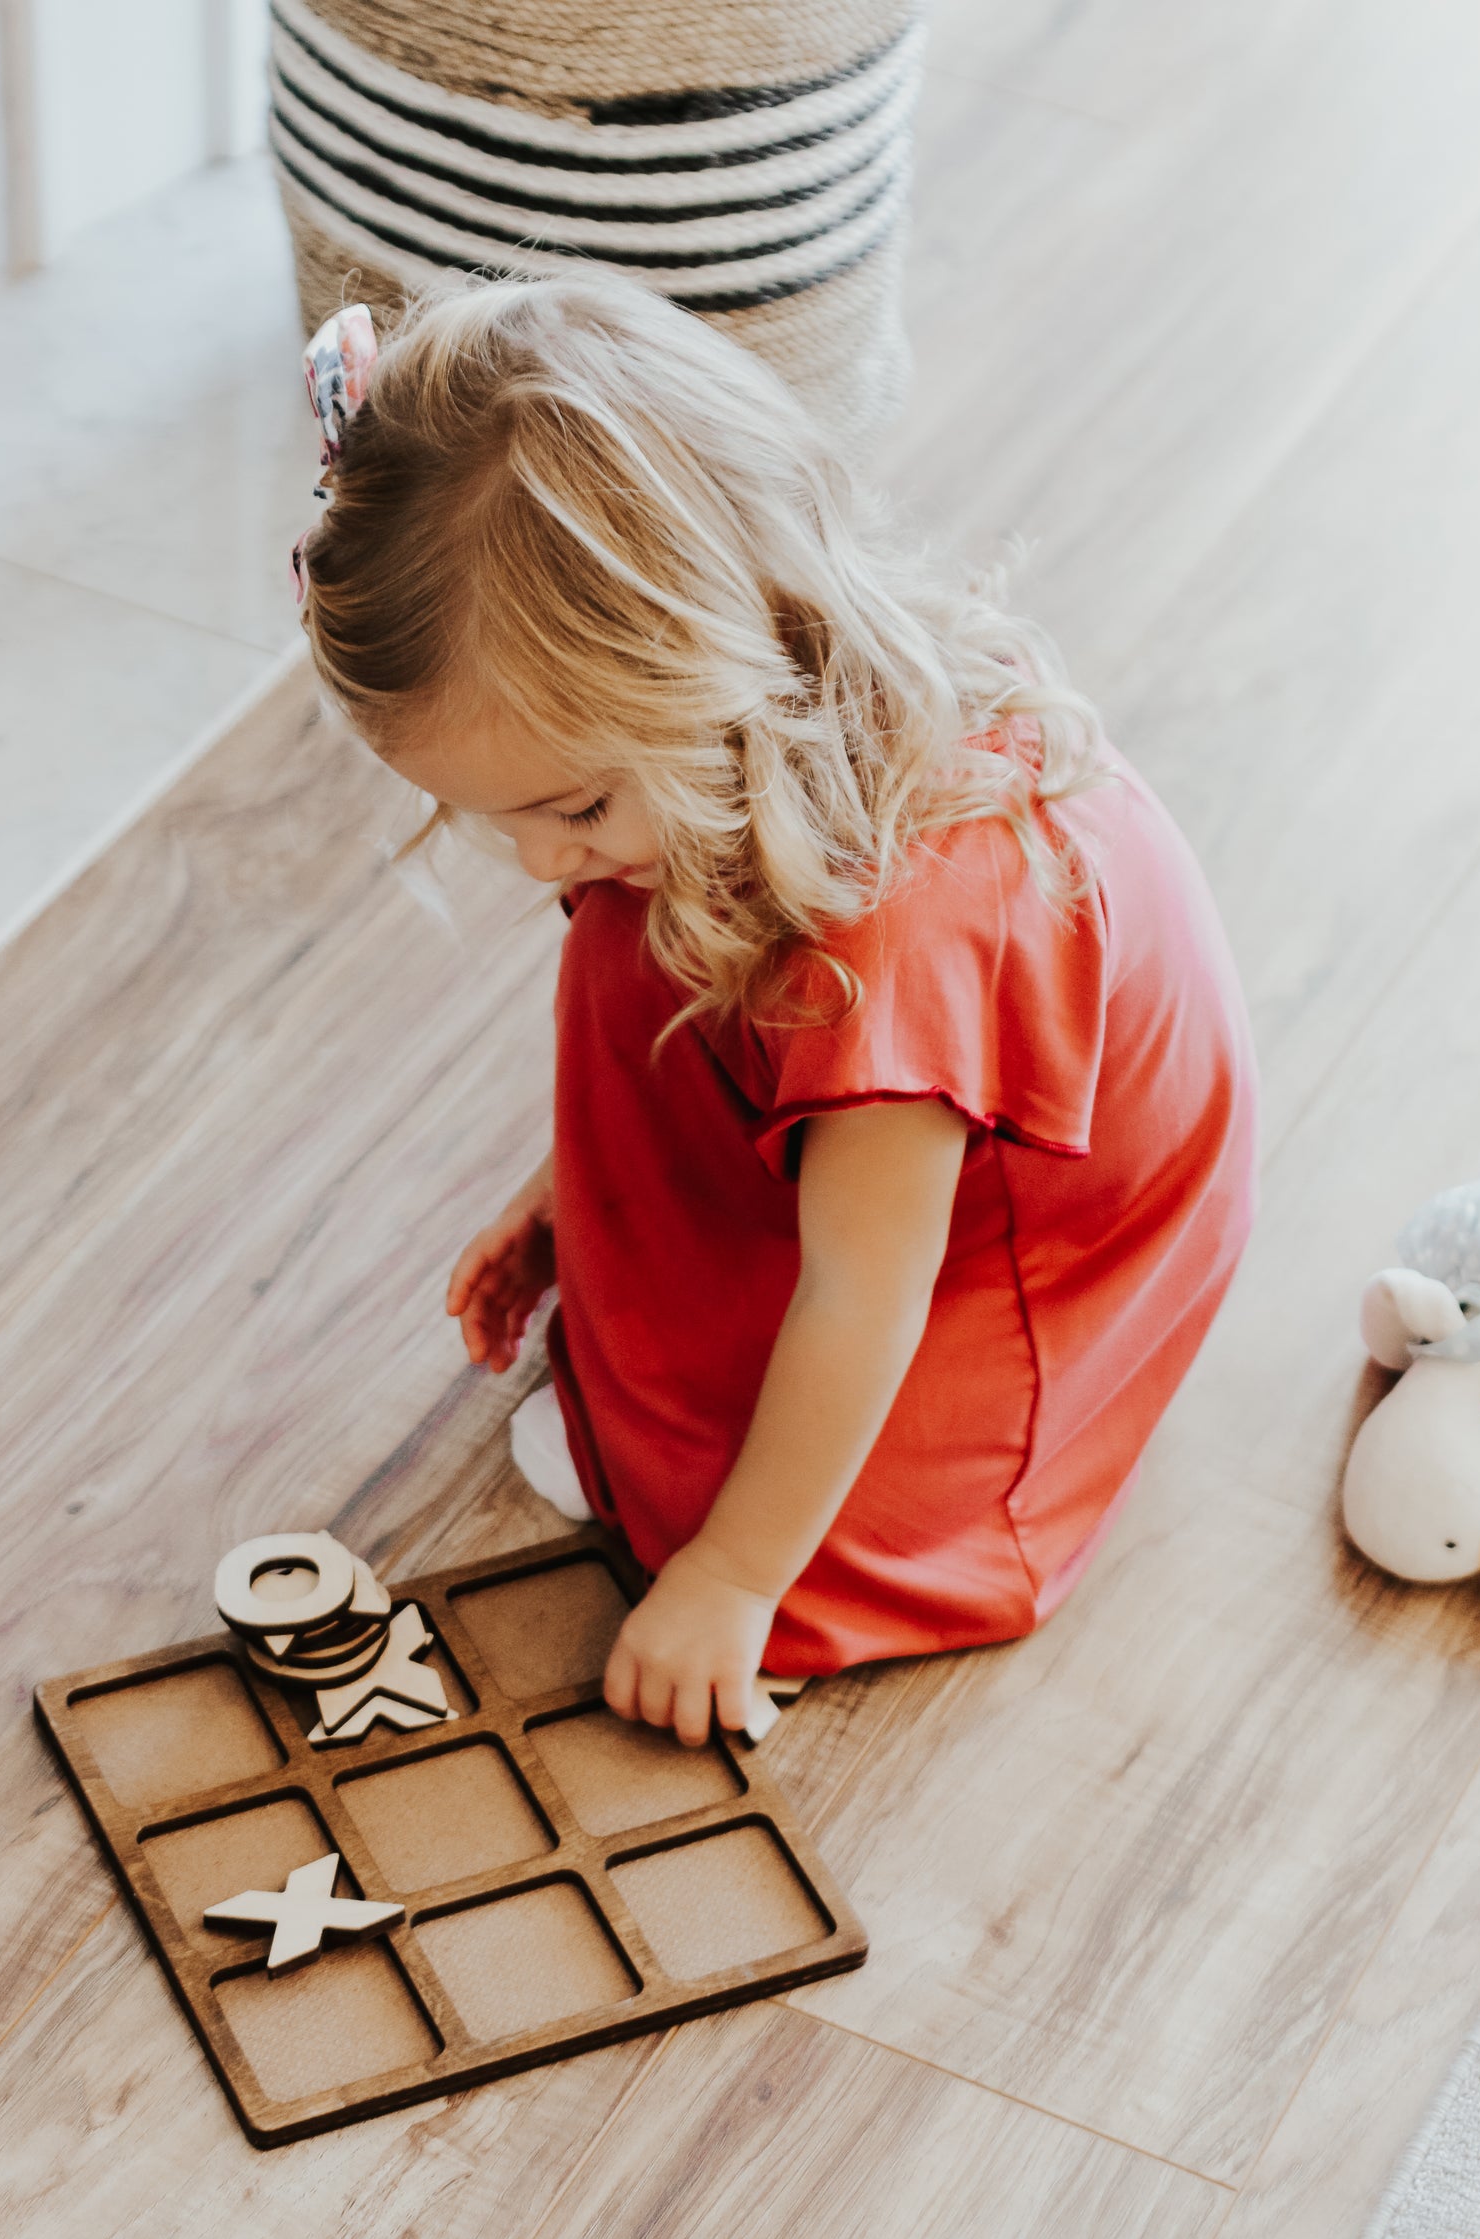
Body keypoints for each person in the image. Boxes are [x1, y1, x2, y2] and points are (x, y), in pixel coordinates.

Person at [293, 273, 1257, 1749]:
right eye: (488, 818)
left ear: (712, 661)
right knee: (634, 919)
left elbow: (865, 1297)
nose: (541, 859)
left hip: (992, 1271)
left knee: (726, 1518)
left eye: (570, 807)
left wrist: (733, 1581)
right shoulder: (749, 738)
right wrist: (578, 1187)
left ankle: (796, 1534)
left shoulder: (903, 924)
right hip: (870, 1155)